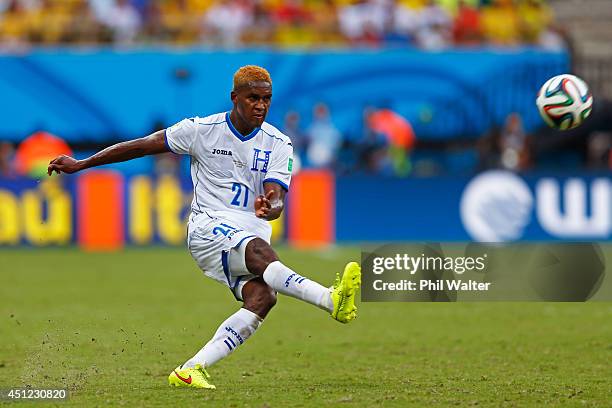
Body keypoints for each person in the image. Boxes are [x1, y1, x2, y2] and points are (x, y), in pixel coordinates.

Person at [47, 65, 361, 390]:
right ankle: (330, 299)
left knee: (262, 297)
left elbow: (277, 197)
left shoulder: (279, 143)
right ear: (234, 97)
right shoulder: (200, 129)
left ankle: (192, 368)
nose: (260, 105)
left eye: (266, 99)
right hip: (208, 228)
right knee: (259, 253)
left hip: (249, 233)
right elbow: (142, 145)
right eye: (253, 98)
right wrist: (83, 163)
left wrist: (272, 207)